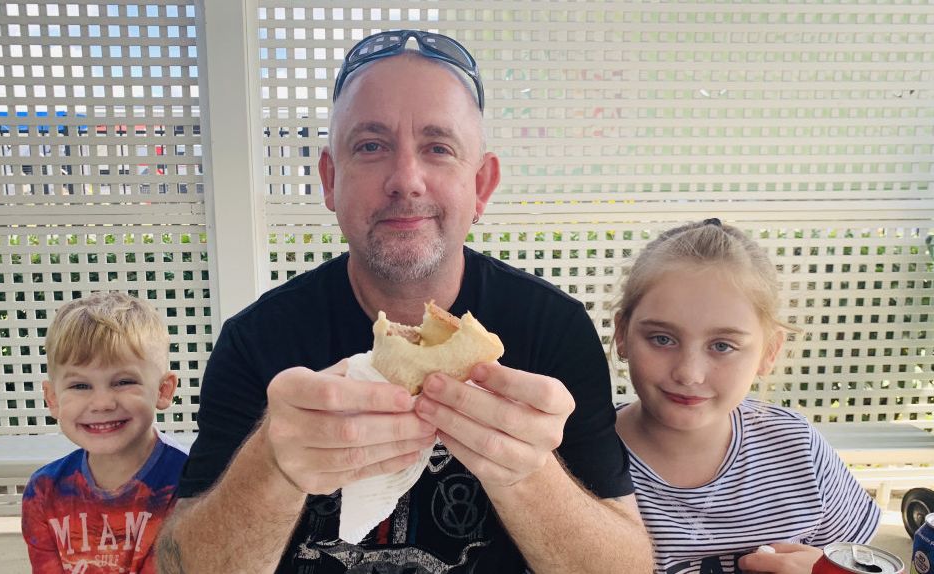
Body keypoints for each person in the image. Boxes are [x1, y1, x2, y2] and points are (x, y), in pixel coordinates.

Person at [157, 30, 652, 573]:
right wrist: (272, 465)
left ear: (482, 184)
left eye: (438, 148)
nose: (406, 180)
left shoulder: (551, 329)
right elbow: (182, 565)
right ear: (330, 179)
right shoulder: (258, 341)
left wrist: (526, 473)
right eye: (371, 146)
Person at [611, 219, 881, 574]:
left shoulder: (797, 450)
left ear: (769, 352)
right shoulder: (573, 453)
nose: (689, 373)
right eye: (662, 338)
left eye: (722, 345)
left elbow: (858, 561)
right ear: (622, 334)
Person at [21, 291, 187, 574]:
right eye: (80, 386)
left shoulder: (192, 481)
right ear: (53, 399)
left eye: (123, 381)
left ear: (163, 390)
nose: (102, 404)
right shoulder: (43, 492)